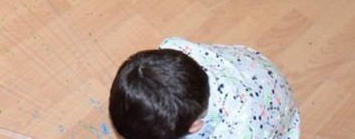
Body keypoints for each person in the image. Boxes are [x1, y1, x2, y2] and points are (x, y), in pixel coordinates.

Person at [109, 37, 300, 139]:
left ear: (194, 126)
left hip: (270, 118)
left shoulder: (236, 132)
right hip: (249, 70)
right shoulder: (174, 47)